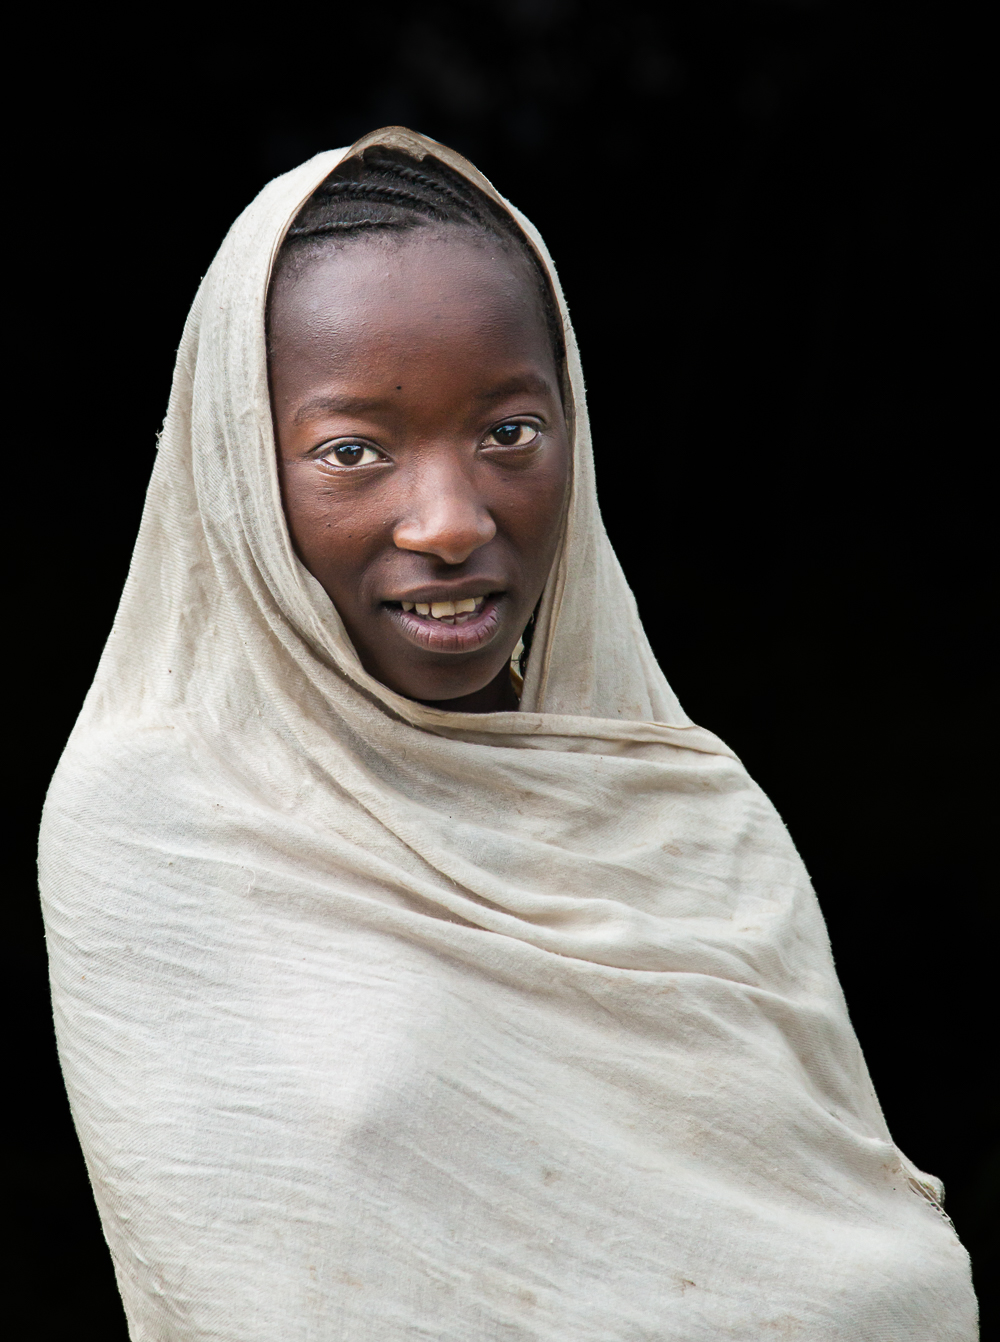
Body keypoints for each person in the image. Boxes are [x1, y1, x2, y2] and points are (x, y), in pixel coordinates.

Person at [39, 127, 976, 1340]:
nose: (447, 519)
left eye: (508, 433)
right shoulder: (161, 822)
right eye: (352, 451)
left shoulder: (694, 822)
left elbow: (856, 1261)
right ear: (238, 469)